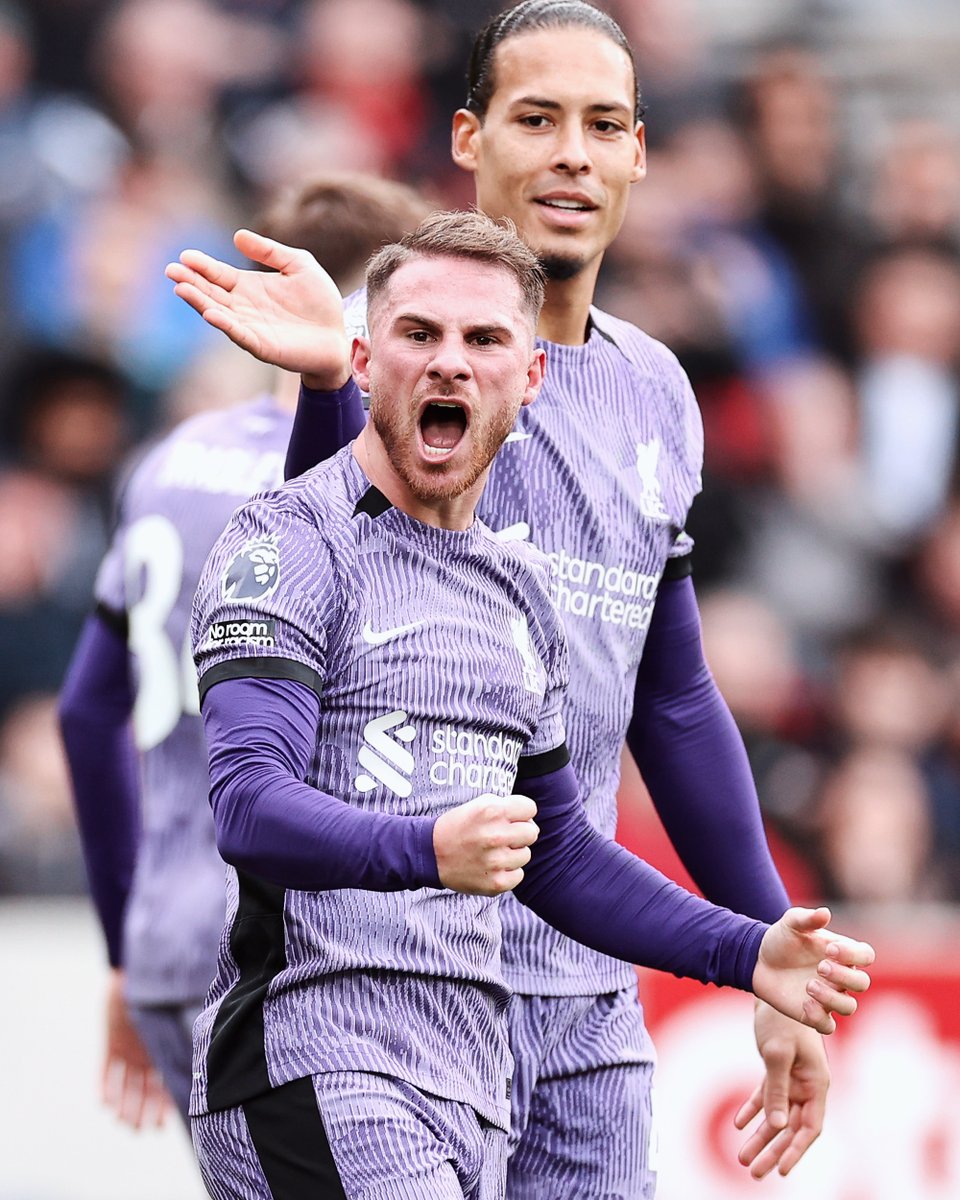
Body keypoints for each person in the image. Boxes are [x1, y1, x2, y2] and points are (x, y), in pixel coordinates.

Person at [166, 2, 837, 1188]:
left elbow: (671, 699)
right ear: (471, 137)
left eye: (603, 123)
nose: (573, 151)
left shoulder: (657, 392)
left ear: (640, 151)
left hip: (582, 976)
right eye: (538, 118)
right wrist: (332, 386)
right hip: (388, 967)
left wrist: (766, 948)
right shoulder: (437, 364)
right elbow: (329, 537)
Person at [57, 172, 434, 1126]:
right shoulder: (357, 480)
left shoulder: (168, 459)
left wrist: (125, 944)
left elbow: (86, 710)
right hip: (296, 958)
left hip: (172, 944)